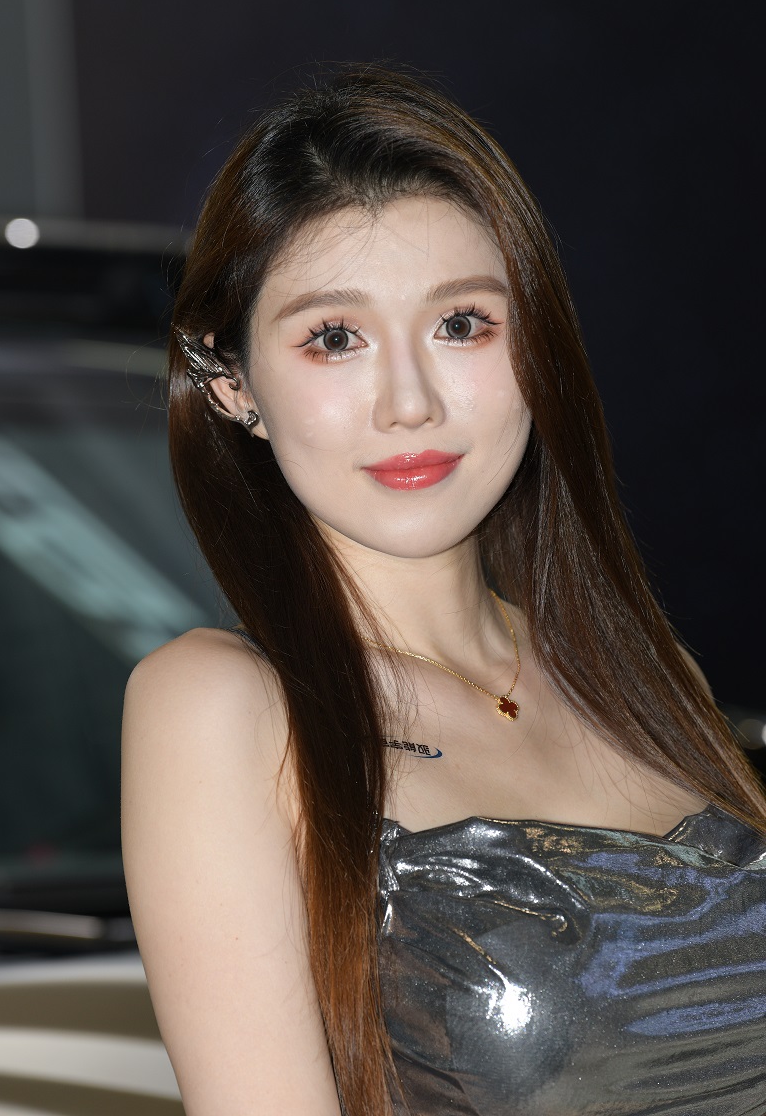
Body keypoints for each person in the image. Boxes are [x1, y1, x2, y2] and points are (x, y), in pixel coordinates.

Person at [121, 64, 766, 1116]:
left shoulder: (654, 679)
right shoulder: (222, 706)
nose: (410, 402)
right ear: (232, 383)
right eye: (335, 338)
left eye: (461, 324)